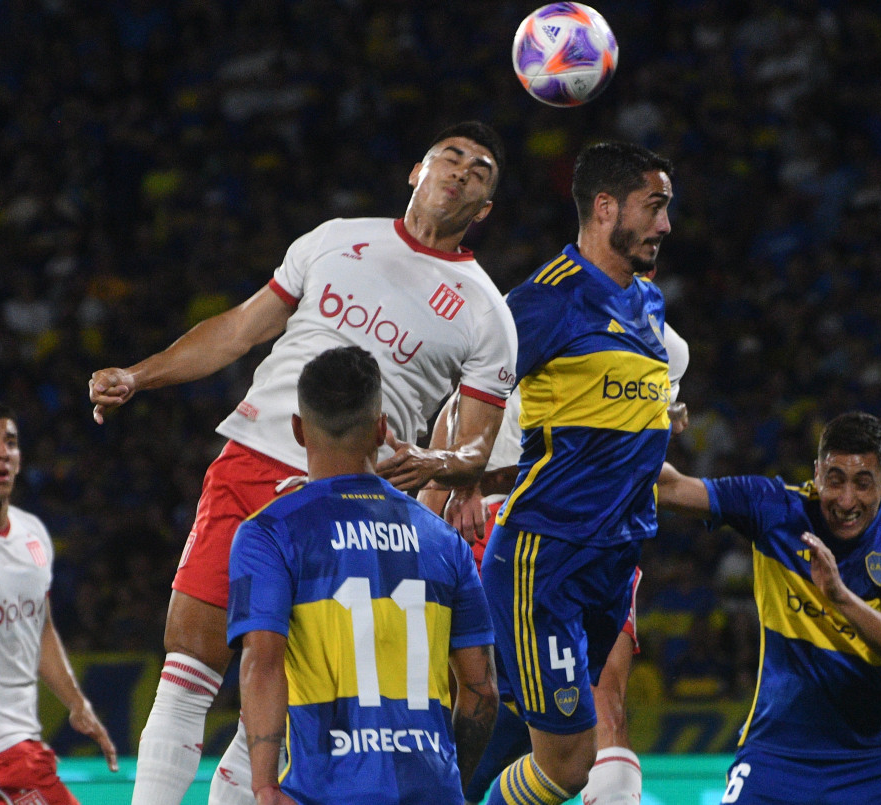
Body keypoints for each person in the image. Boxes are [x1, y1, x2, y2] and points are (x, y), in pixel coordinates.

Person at [87, 120, 518, 805]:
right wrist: (140, 375)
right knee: (189, 662)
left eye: (480, 171)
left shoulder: (487, 312)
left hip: (351, 497)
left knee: (287, 675)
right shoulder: (336, 238)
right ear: (417, 170)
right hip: (255, 457)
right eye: (450, 157)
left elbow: (478, 447)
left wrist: (434, 461)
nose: (461, 171)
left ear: (485, 208)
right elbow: (239, 327)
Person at [475, 141, 674, 805]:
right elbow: (470, 389)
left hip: (612, 561)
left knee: (524, 733)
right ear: (605, 206)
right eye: (655, 207)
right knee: (567, 762)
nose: (665, 225)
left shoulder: (649, 304)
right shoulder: (543, 301)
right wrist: (454, 478)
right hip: (547, 555)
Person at [422, 316, 689, 805]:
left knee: (574, 733)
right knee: (594, 712)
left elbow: (452, 434)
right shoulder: (544, 315)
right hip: (529, 535)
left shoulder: (659, 345)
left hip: (552, 539)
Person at [227, 346, 497, 804]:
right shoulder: (443, 540)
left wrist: (264, 786)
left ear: (298, 429)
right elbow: (481, 690)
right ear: (381, 429)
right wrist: (451, 781)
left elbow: (262, 665)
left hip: (325, 792)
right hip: (431, 788)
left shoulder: (270, 534)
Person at [655, 411, 881, 804]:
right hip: (778, 750)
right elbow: (667, 488)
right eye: (835, 480)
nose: (846, 500)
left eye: (863, 483)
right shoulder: (774, 508)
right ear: (817, 473)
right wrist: (649, 423)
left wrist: (839, 596)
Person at [0, 400, 119, 804]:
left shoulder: (32, 533)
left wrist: (76, 702)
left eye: (11, 442)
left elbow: (40, 626)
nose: (2, 452)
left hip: (19, 742)